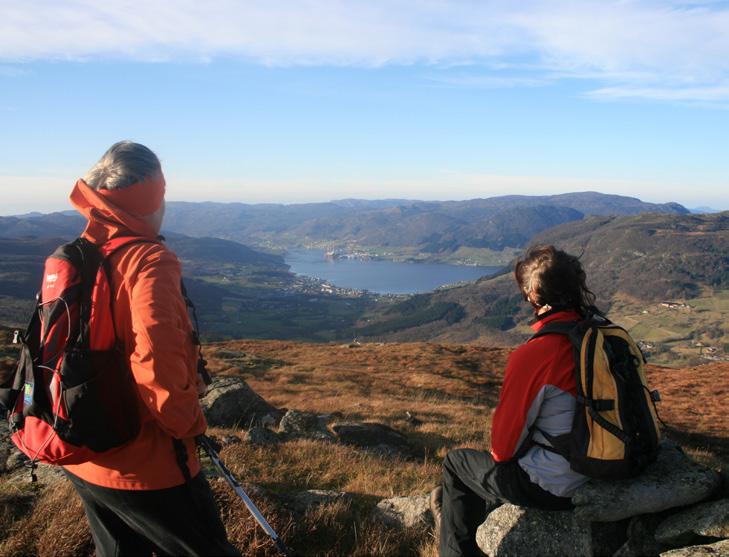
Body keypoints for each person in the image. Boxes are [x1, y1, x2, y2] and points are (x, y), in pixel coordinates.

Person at [63, 141, 240, 556]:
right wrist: (191, 427)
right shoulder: (148, 262)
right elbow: (155, 366)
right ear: (151, 197)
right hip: (148, 463)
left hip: (85, 451)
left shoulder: (82, 253)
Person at [431, 245, 596, 557]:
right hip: (611, 464)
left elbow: (502, 449)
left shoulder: (537, 353)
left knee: (456, 464)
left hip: (560, 484)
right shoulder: (601, 337)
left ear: (534, 295)